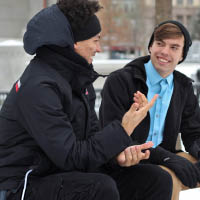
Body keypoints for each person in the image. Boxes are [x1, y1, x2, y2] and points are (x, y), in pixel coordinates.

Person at [0, 1, 161, 200]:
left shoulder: (77, 79)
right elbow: (71, 157)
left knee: (154, 179)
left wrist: (116, 156)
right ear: (73, 42)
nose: (99, 48)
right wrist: (123, 129)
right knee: (100, 188)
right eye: (95, 40)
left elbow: (90, 138)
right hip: (22, 185)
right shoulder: (39, 87)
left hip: (59, 173)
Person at [100, 20, 200, 200]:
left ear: (182, 55)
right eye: (160, 44)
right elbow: (112, 137)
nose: (164, 52)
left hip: (165, 157)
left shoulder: (182, 87)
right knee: (168, 178)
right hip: (127, 163)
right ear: (150, 47)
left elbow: (193, 133)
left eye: (174, 47)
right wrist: (167, 158)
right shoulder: (121, 81)